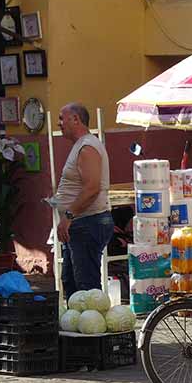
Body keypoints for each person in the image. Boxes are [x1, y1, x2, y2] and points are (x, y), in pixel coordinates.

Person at [50, 103, 113, 297]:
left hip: (87, 222)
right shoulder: (81, 145)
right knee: (71, 282)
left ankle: (95, 325)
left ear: (76, 119)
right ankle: (77, 324)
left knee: (86, 287)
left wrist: (68, 215)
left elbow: (92, 187)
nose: (59, 123)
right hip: (79, 224)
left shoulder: (87, 147)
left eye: (62, 118)